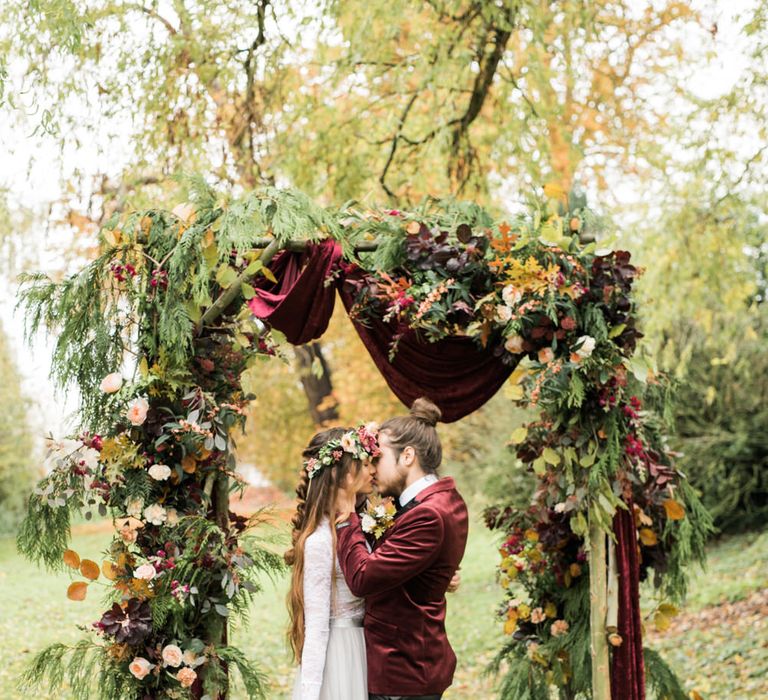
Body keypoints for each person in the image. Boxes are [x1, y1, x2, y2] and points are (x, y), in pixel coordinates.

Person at [334, 398, 470, 700]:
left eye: (378, 458)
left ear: (407, 455)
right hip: (412, 663)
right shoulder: (443, 499)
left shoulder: (428, 514)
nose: (371, 469)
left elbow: (363, 578)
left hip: (402, 670)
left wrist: (346, 519)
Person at [285, 425, 380, 700]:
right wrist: (310, 692)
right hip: (340, 653)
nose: (372, 470)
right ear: (341, 475)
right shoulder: (320, 541)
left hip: (368, 648)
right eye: (363, 464)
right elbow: (316, 624)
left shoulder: (366, 525)